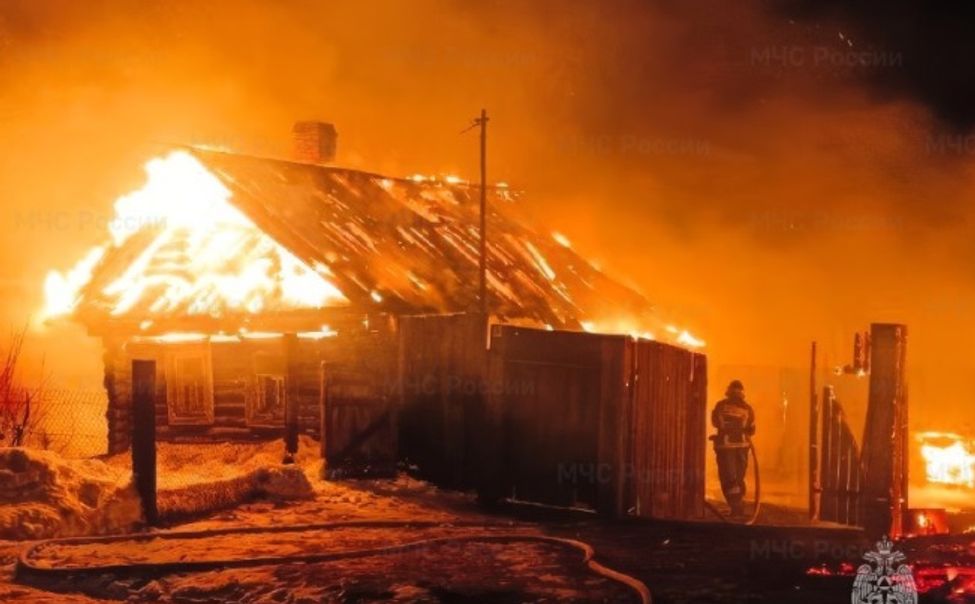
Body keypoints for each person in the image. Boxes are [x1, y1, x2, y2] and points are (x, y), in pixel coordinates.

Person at [711, 380, 755, 517]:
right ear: (742, 393)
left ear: (728, 391)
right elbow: (752, 430)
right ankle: (737, 506)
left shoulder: (720, 405)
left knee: (728, 477)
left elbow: (715, 422)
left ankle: (736, 508)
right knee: (738, 477)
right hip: (742, 447)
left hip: (725, 447)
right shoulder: (748, 409)